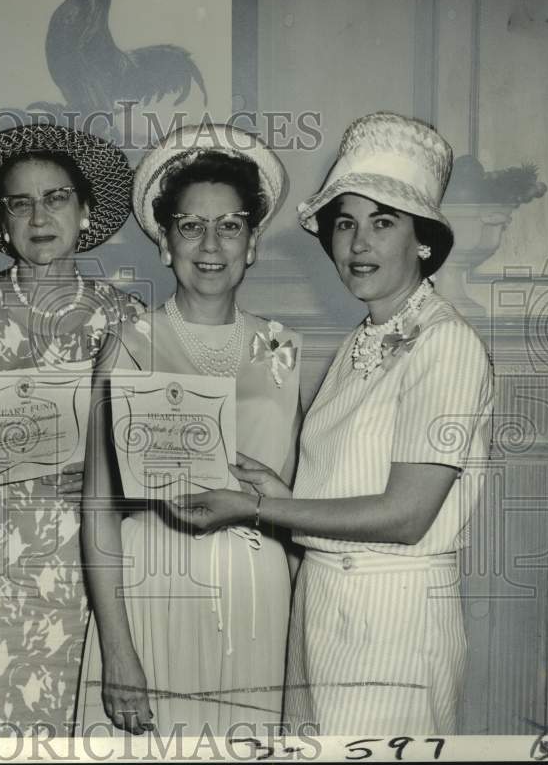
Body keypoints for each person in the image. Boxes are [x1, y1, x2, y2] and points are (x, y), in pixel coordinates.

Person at [171, 112, 494, 735]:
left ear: (423, 240)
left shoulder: (445, 344)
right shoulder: (361, 341)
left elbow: (405, 516)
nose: (358, 243)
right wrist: (279, 493)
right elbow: (345, 494)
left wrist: (257, 511)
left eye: (383, 222)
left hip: (393, 626)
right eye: (345, 223)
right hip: (321, 615)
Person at [76, 124, 303, 737]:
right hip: (152, 584)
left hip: (255, 591)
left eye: (230, 225)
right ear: (164, 242)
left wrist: (274, 501)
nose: (211, 243)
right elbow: (97, 509)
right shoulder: (129, 343)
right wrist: (118, 652)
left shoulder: (282, 346)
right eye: (190, 225)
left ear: (252, 243)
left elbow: (299, 501)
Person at [0, 124, 142, 736]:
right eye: (20, 202)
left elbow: (160, 459)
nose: (39, 216)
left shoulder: (128, 318)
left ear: (86, 211)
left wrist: (121, 487)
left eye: (56, 197)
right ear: (2, 220)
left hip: (87, 580)